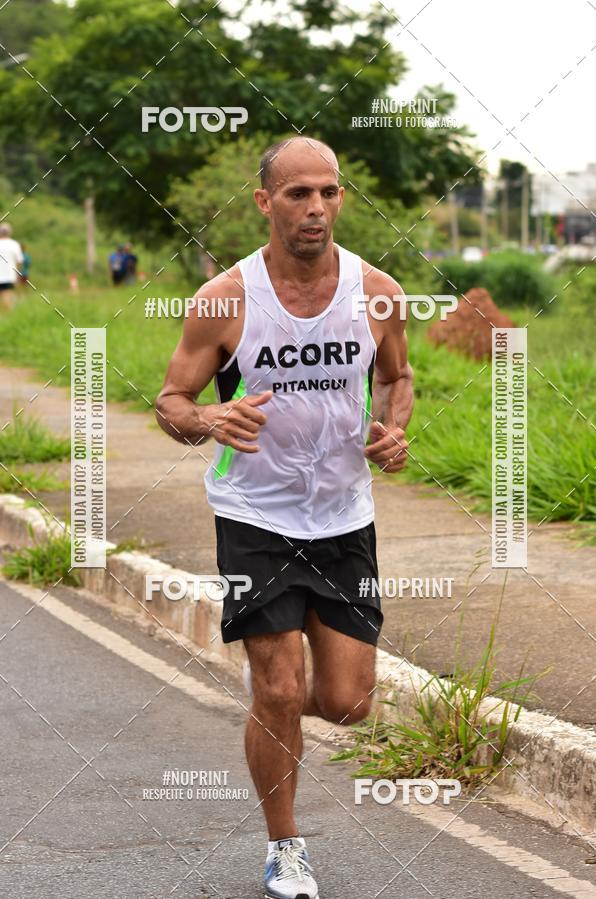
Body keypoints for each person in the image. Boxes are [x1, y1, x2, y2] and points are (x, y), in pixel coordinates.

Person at [156, 136, 413, 899]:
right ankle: (286, 846)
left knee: (349, 701)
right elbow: (172, 401)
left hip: (343, 515)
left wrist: (394, 429)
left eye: (328, 192)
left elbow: (399, 378)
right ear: (265, 202)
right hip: (254, 513)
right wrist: (208, 420)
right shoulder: (226, 299)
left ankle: (277, 701)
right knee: (276, 687)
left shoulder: (377, 291)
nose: (316, 208)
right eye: (298, 193)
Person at [0, 222, 24, 310]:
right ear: (10, 232)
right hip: (9, 276)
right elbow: (20, 262)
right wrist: (18, 275)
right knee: (7, 301)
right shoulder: (14, 245)